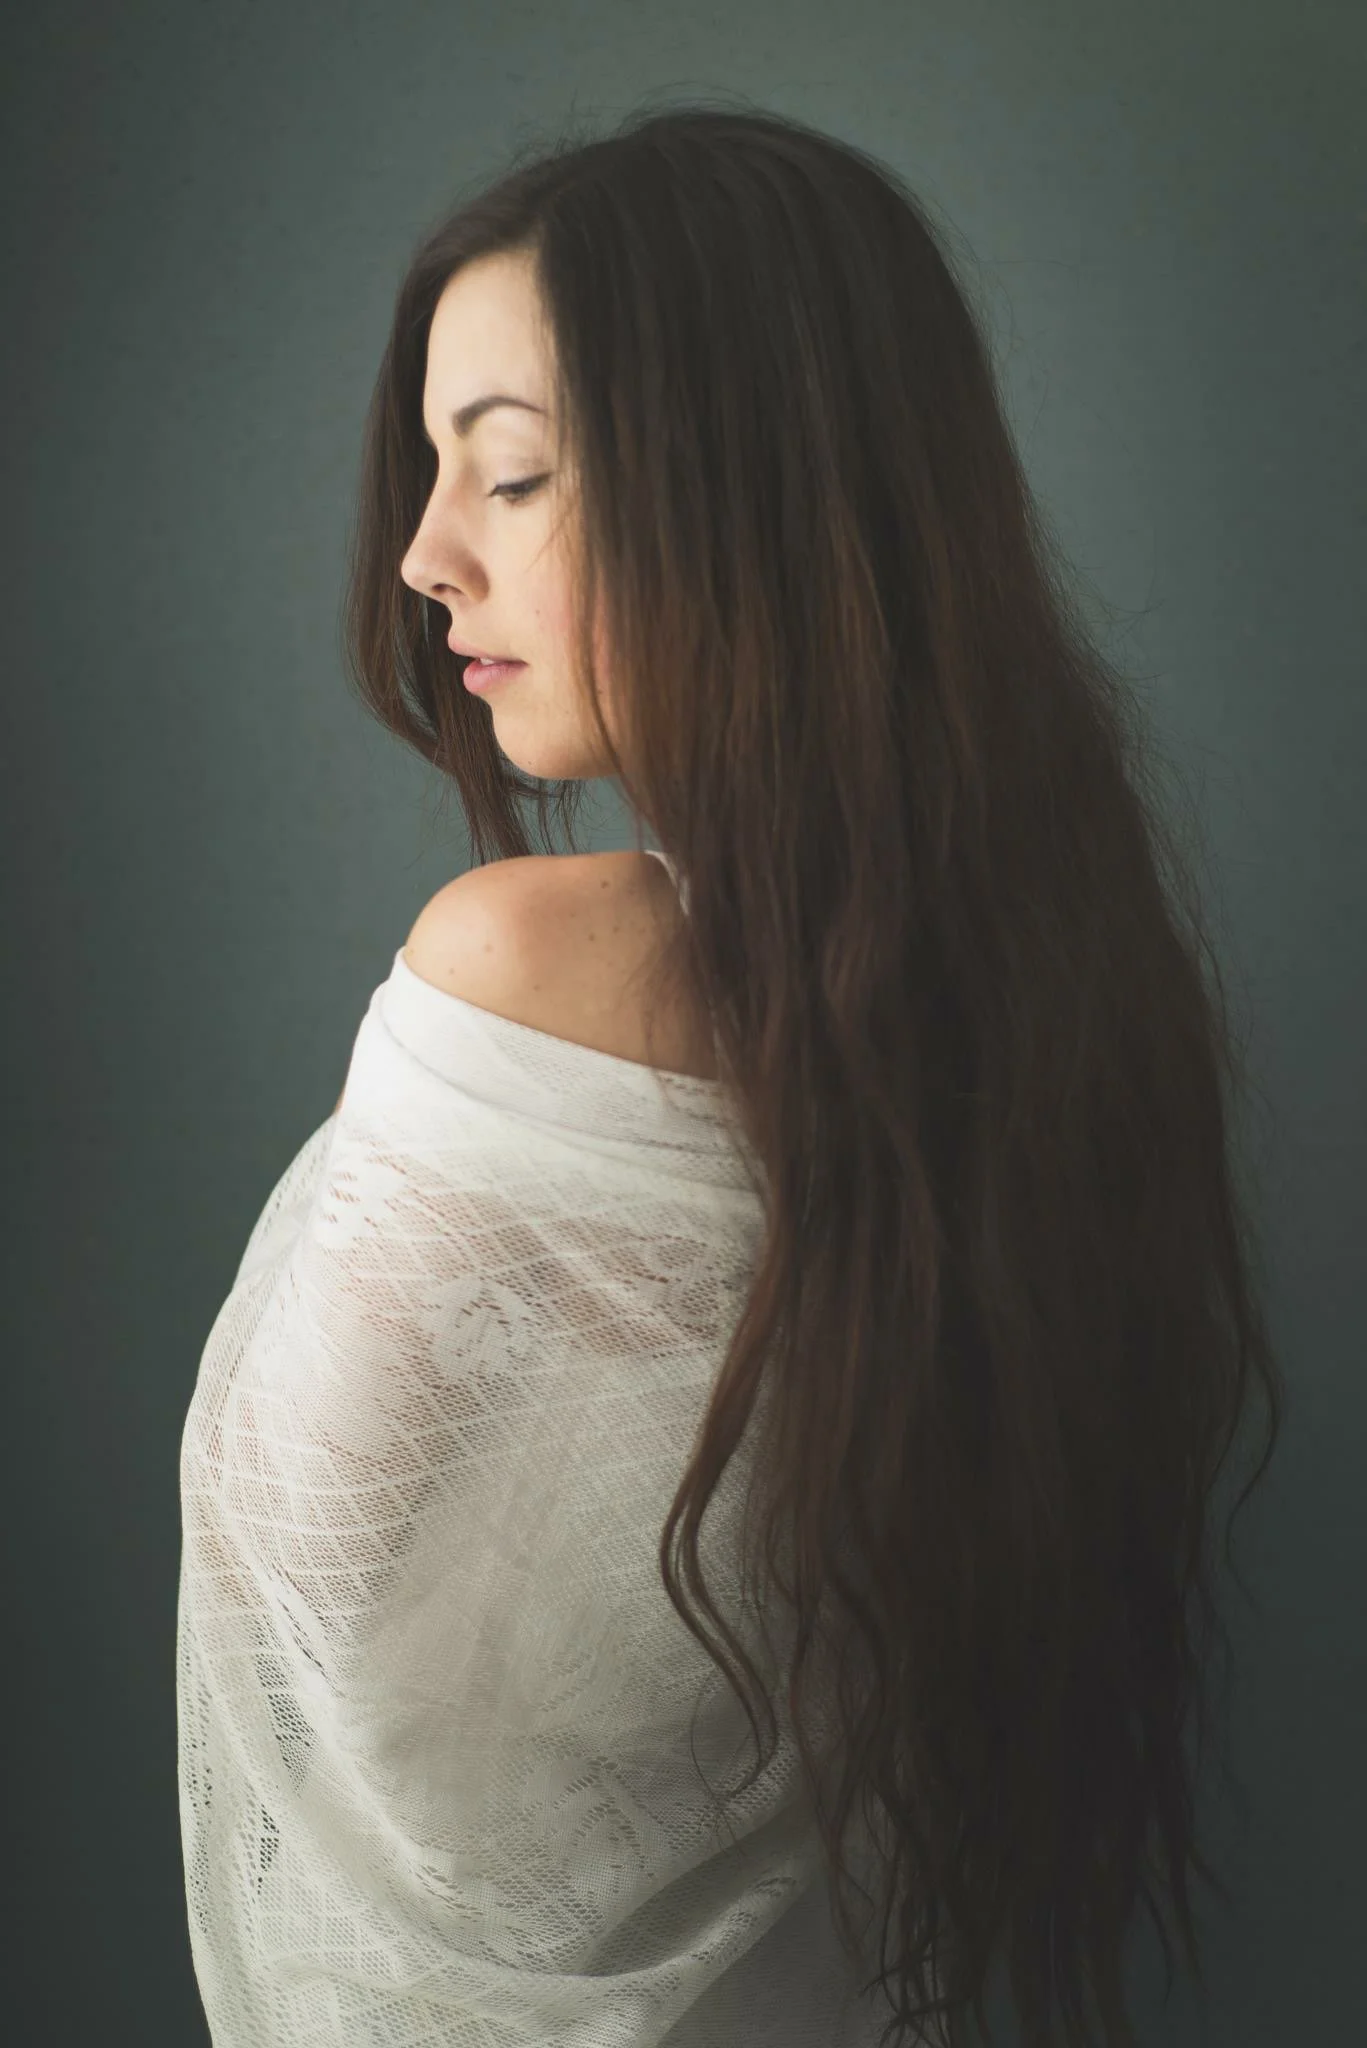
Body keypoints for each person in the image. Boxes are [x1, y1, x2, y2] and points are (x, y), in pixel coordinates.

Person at [177, 100, 1283, 2048]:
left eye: (503, 473)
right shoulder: (1064, 1030)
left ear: (753, 496)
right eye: (433, 470)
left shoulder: (520, 959)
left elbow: (310, 1630)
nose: (426, 554)